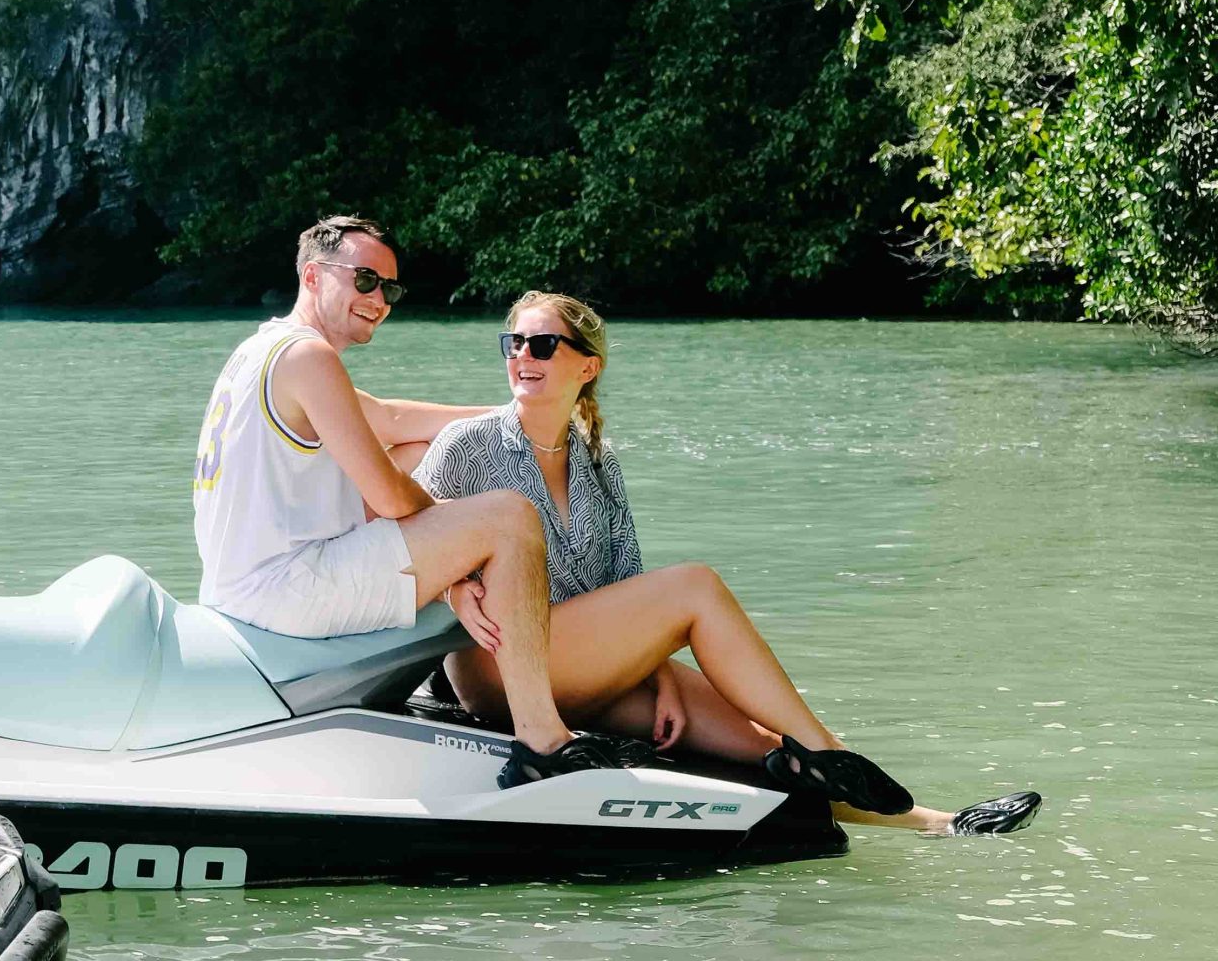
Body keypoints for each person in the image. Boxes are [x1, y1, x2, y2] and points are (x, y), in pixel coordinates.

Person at [416, 292, 1042, 835]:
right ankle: (826, 747)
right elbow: (401, 534)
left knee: (760, 744)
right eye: (515, 341)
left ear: (588, 365)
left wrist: (659, 677)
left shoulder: (597, 458)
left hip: (584, 663)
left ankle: (935, 823)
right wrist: (453, 591)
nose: (523, 356)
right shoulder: (468, 446)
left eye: (543, 344)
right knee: (694, 587)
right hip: (499, 668)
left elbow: (625, 586)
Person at [192, 215, 657, 787]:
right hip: (287, 590)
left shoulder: (262, 350)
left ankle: (466, 653)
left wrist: (526, 419)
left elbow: (391, 419)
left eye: (390, 288)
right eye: (364, 280)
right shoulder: (310, 359)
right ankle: (543, 740)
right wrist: (456, 563)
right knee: (509, 518)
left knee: (415, 450)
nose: (379, 299)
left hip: (239, 581)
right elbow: (389, 497)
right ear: (312, 276)